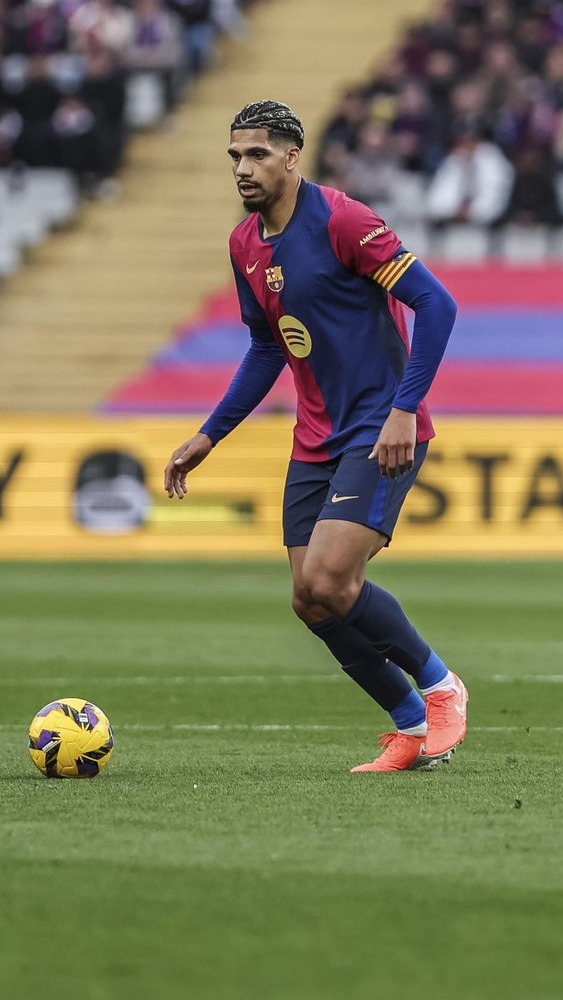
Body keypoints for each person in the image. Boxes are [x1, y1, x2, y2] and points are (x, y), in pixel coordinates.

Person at [163, 100, 467, 773]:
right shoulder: (246, 244)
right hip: (315, 438)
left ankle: (443, 688)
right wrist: (211, 434)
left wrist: (403, 410)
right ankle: (409, 724)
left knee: (333, 575)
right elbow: (268, 348)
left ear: (293, 156)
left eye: (258, 154)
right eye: (236, 156)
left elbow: (436, 304)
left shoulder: (341, 220)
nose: (243, 168)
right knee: (309, 597)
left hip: (379, 428)